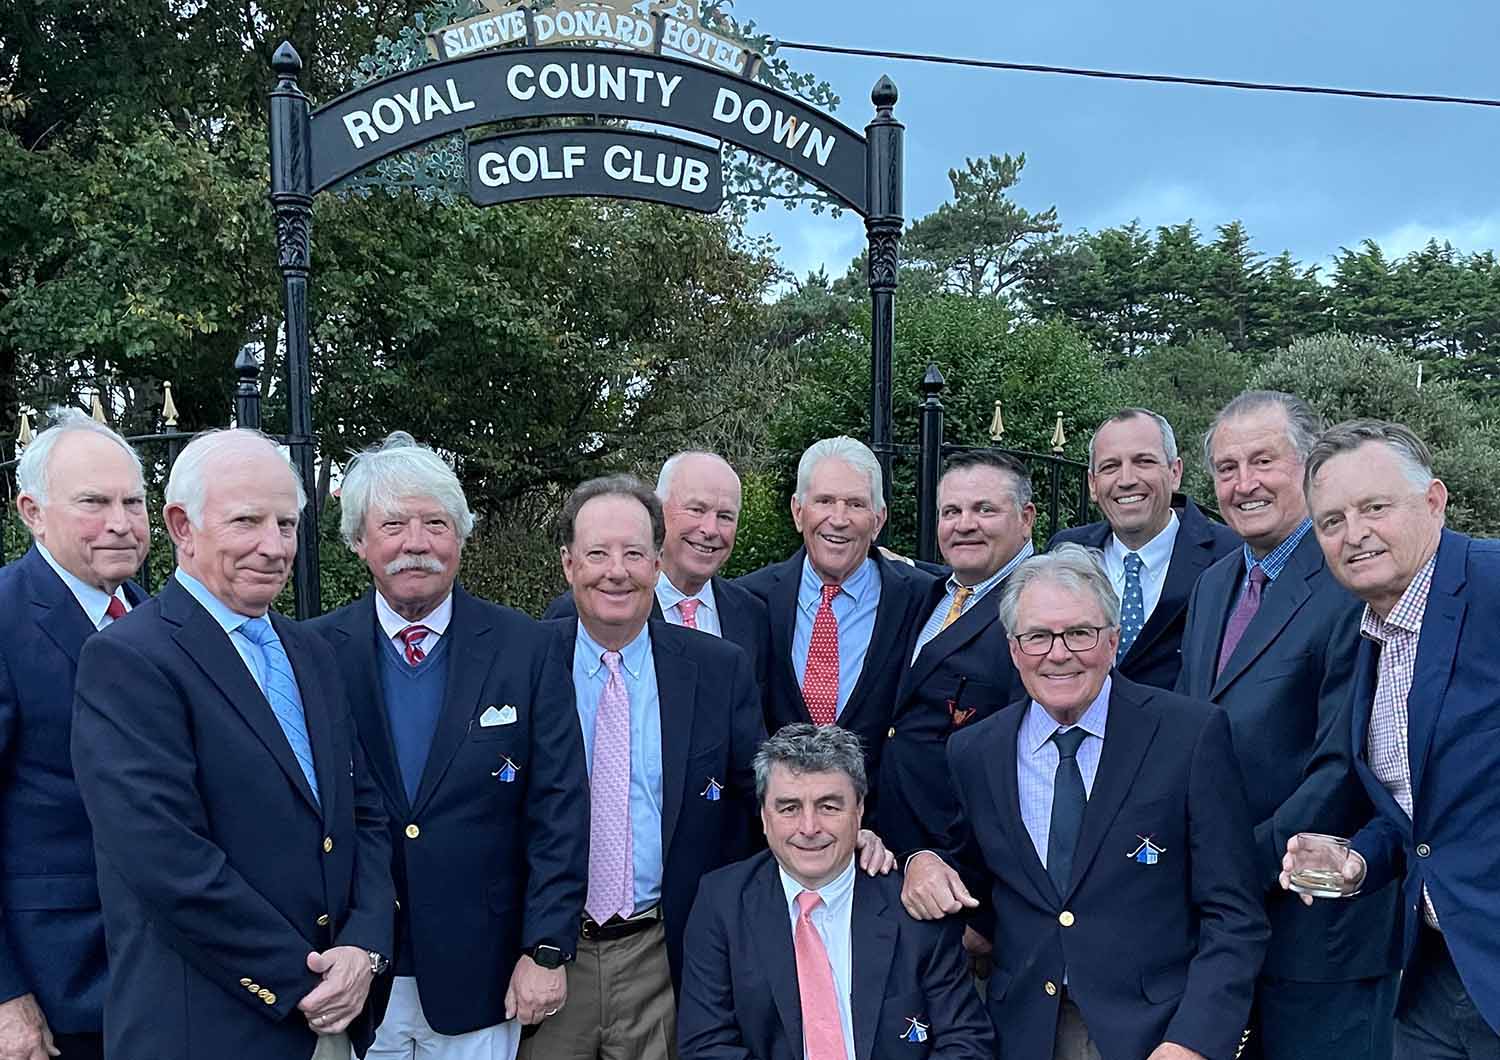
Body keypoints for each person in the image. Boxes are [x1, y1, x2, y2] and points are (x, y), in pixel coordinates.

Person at [70, 429, 394, 1060]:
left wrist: (365, 946)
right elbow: (167, 860)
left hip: (334, 1018)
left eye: (286, 523)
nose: (273, 547)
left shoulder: (312, 652)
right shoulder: (127, 660)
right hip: (209, 1027)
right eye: (247, 521)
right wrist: (302, 978)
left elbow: (364, 812)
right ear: (182, 527)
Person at [902, 545, 1268, 1060]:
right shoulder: (975, 751)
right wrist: (923, 863)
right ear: (1013, 648)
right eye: (1037, 636)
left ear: (1113, 640)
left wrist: (1193, 1042)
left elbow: (1234, 914)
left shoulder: (1188, 735)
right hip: (1022, 1033)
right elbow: (977, 882)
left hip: (1156, 1036)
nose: (1058, 653)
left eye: (1080, 633)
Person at [310, 433, 588, 1060]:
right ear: (359, 542)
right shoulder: (313, 653)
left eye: (436, 523)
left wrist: (547, 947)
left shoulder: (529, 648)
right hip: (354, 972)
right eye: (393, 525)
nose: (416, 543)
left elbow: (559, 808)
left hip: (483, 972)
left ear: (461, 537)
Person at [1177, 392, 1400, 1060]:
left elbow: (1341, 764)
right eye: (1225, 468)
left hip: (1318, 929)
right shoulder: (1214, 585)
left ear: (1307, 467)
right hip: (1224, 928)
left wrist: (1231, 871)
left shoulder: (1350, 581)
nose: (1243, 484)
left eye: (1262, 461)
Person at [1280, 420, 1500, 1056]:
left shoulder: (1489, 585)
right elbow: (1423, 810)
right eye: (1331, 521)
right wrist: (1357, 861)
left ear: (1434, 501)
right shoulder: (1371, 633)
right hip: (1433, 976)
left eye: (1375, 507)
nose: (1355, 534)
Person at [678, 724, 994, 1060]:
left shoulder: (912, 907)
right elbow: (707, 1046)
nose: (809, 828)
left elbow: (965, 1043)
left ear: (859, 811)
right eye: (789, 808)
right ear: (763, 816)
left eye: (829, 806)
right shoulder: (722, 902)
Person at [0, 411, 150, 1060]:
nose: (120, 521)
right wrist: (4, 998)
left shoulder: (154, 616)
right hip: (53, 990)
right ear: (32, 511)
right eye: (93, 502)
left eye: (133, 501)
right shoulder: (5, 618)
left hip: (158, 983)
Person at [737, 437, 934, 806]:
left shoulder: (923, 600)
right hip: (773, 835)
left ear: (878, 520)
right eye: (824, 501)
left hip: (883, 839)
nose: (839, 519)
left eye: (856, 504)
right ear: (798, 512)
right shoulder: (749, 600)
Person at [878, 449, 1033, 861]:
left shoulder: (1038, 611)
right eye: (951, 512)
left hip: (961, 864)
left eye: (984, 510)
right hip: (891, 852)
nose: (965, 525)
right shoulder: (932, 593)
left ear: (1026, 518)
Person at [545, 451, 770, 699]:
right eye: (696, 509)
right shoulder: (577, 611)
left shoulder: (753, 615)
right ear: (658, 510)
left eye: (725, 516)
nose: (710, 529)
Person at [1049, 408, 1240, 689]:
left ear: (1175, 473)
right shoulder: (1064, 552)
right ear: (1092, 484)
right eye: (1110, 466)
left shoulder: (1230, 553)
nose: (1126, 480)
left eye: (1143, 462)